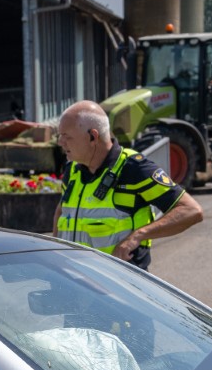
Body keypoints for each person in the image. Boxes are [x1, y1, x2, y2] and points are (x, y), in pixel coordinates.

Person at [51, 100, 203, 269]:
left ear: (93, 137)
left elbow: (191, 210)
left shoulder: (134, 169)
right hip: (74, 282)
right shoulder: (73, 169)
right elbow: (61, 211)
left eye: (67, 137)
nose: (60, 142)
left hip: (117, 287)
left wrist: (137, 236)